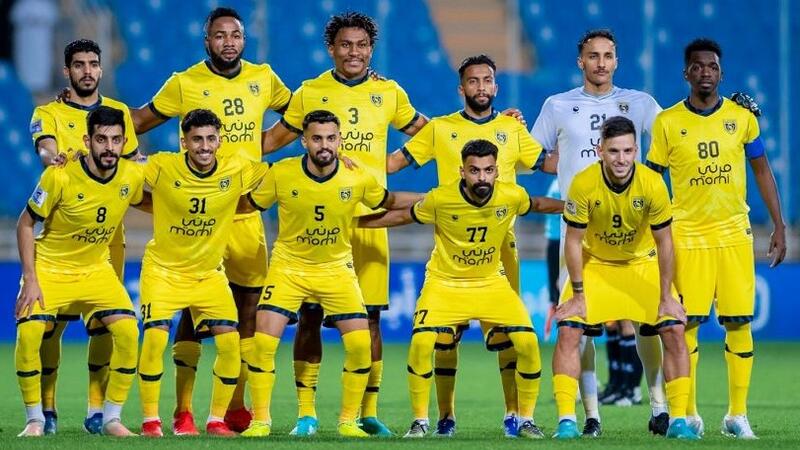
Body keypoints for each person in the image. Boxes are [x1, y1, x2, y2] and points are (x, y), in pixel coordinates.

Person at [259, 11, 428, 436]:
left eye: (362, 45)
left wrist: (395, 162)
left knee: (370, 319)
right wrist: (217, 148)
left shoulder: (388, 92)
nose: (354, 52)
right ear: (331, 49)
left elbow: (433, 134)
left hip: (370, 221)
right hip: (316, 224)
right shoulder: (310, 92)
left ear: (371, 48)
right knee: (310, 317)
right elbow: (271, 141)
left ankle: (366, 413)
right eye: (346, 45)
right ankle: (306, 413)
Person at [130, 7, 292, 434]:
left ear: (244, 39)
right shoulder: (184, 82)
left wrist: (264, 144)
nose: (228, 42)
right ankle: (183, 410)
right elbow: (139, 121)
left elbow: (300, 115)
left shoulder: (263, 77)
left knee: (248, 309)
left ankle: (234, 406)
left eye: (234, 35)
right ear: (207, 41)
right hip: (196, 211)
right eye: (219, 35)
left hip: (243, 212)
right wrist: (87, 118)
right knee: (189, 309)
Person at [385, 54, 555, 437]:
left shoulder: (511, 129)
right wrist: (348, 169)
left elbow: (545, 163)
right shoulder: (440, 128)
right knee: (444, 340)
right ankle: (445, 416)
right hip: (453, 245)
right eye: (473, 81)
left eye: (487, 80)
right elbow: (394, 163)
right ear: (461, 89)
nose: (481, 87)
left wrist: (593, 162)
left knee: (511, 338)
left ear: (496, 86)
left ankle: (515, 415)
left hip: (502, 248)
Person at [363, 139, 562, 438]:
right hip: (445, 283)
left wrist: (572, 207)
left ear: (497, 171)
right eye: (474, 170)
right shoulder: (440, 198)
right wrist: (355, 223)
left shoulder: (511, 195)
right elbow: (401, 215)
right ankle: (420, 421)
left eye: (488, 170)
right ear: (462, 172)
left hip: (491, 283)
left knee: (528, 343)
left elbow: (538, 204)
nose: (482, 177)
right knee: (422, 343)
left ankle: (526, 420)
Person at [238, 110, 419, 438]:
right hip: (289, 268)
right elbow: (246, 205)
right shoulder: (282, 173)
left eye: (331, 138)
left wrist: (432, 198)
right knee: (263, 341)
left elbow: (389, 201)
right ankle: (262, 421)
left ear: (340, 140)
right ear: (304, 141)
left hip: (336, 270)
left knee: (361, 345)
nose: (324, 145)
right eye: (317, 138)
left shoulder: (356, 176)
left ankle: (348, 422)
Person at [645, 38, 786, 439]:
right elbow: (652, 181)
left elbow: (762, 169)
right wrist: (648, 232)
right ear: (686, 73)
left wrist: (779, 225)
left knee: (738, 323)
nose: (705, 72)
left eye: (712, 67)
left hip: (734, 235)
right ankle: (689, 414)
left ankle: (737, 415)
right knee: (686, 325)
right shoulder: (668, 122)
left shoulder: (742, 118)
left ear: (721, 74)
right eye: (697, 66)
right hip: (687, 236)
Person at [530, 28, 667, 436]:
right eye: (593, 55)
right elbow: (530, 157)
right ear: (580, 61)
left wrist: (648, 181)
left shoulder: (641, 103)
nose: (601, 63)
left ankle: (659, 407)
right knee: (578, 326)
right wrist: (567, 169)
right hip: (578, 235)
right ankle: (590, 416)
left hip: (632, 235)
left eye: (608, 55)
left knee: (646, 322)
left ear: (617, 60)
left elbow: (675, 138)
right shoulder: (557, 105)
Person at [552, 116, 695, 440]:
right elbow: (573, 242)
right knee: (569, 331)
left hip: (640, 263)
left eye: (628, 151)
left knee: (673, 328)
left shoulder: (652, 183)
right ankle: (567, 421)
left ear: (636, 151)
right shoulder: (584, 183)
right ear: (600, 150)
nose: (621, 159)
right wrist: (577, 295)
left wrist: (666, 296)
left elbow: (665, 243)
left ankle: (678, 420)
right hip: (597, 264)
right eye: (614, 151)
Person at [27, 39, 140, 435]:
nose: (87, 71)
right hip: (64, 231)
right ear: (67, 71)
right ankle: (47, 408)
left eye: (93, 64)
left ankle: (97, 409)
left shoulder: (119, 113)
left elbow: (132, 166)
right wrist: (54, 158)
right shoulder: (49, 112)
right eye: (79, 65)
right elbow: (46, 148)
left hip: (109, 239)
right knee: (51, 326)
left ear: (101, 69)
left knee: (106, 325)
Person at [136, 109, 270, 437]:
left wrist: (337, 163)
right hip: (164, 272)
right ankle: (153, 421)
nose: (205, 146)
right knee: (154, 339)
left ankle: (215, 420)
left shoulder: (237, 168)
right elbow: (119, 174)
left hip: (209, 274)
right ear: (184, 142)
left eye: (211, 139)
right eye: (197, 139)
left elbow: (284, 176)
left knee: (230, 344)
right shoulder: (162, 165)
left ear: (220, 140)